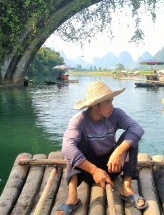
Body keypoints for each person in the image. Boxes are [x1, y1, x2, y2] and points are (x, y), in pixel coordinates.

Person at [56, 81, 147, 215]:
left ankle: (126, 187)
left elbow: (137, 129)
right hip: (88, 171)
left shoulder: (116, 114)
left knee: (131, 138)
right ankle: (72, 197)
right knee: (73, 146)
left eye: (111, 101)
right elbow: (67, 148)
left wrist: (117, 152)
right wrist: (94, 170)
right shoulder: (79, 121)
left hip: (112, 166)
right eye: (108, 102)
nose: (112, 106)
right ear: (95, 106)